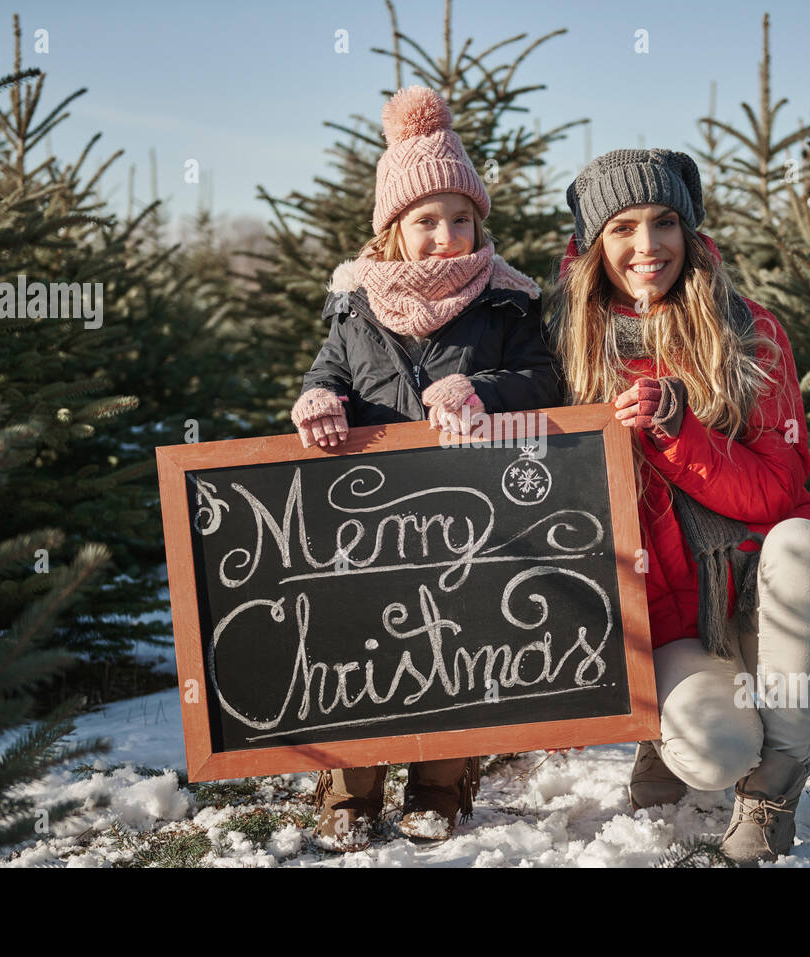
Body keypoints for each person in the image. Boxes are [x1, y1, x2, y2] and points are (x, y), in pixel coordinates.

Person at [550, 148, 810, 865]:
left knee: (804, 542)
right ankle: (669, 738)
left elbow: (780, 489)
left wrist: (677, 433)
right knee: (716, 752)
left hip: (758, 597)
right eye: (622, 227)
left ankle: (773, 793)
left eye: (663, 223)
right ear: (595, 246)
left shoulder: (748, 330)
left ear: (689, 232)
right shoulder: (563, 343)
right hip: (671, 624)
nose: (646, 246)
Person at [290, 86, 561, 852]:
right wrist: (316, 399)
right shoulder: (356, 307)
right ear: (393, 230)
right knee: (360, 646)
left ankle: (440, 786)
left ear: (479, 222)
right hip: (369, 519)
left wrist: (481, 388)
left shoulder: (507, 307)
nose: (446, 235)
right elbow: (328, 376)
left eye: (460, 218)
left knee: (453, 642)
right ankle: (350, 793)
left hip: (468, 514)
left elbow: (545, 385)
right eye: (425, 221)